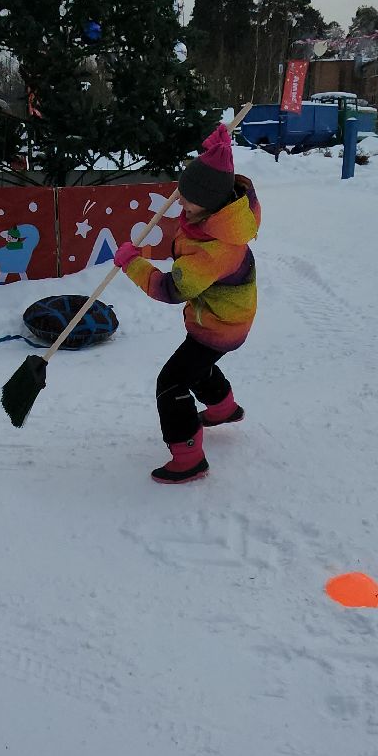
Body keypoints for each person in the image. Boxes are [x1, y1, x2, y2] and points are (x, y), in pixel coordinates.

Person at [113, 122, 259, 484]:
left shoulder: (214, 250)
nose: (180, 202)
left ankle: (189, 456)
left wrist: (132, 263)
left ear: (210, 203)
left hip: (218, 326)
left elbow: (170, 288)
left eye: (188, 198)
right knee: (198, 367)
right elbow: (186, 240)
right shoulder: (214, 219)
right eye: (181, 193)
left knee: (172, 383)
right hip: (225, 318)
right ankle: (223, 408)